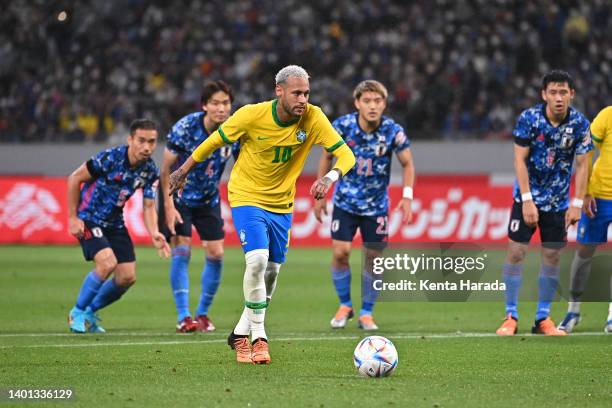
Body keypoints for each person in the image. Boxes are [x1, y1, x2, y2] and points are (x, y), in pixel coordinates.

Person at [169, 65, 356, 364]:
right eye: (296, 93)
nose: (303, 99)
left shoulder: (314, 117)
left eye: (306, 93)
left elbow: (347, 154)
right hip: (246, 196)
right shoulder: (250, 116)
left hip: (282, 204)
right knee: (256, 261)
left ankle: (239, 332)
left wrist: (329, 178)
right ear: (279, 91)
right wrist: (183, 170)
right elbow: (213, 141)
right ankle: (258, 338)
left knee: (271, 274)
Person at [495, 70, 592, 336]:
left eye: (563, 92)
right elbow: (519, 160)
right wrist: (527, 200)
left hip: (559, 203)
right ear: (544, 95)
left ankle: (542, 319)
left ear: (571, 94)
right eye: (553, 92)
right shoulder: (530, 119)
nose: (558, 98)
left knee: (551, 256)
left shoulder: (581, 124)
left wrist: (576, 202)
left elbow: (583, 165)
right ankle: (511, 316)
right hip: (526, 198)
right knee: (515, 253)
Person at [313, 80, 415, 330]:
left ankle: (367, 312)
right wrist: (321, 192)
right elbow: (326, 156)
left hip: (377, 207)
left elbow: (407, 164)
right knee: (341, 252)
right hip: (346, 202)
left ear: (384, 103)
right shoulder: (342, 127)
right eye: (367, 101)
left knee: (373, 258)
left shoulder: (393, 131)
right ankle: (345, 305)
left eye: (377, 101)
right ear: (357, 103)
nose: (372, 106)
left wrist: (407, 196)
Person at [67, 118, 170, 333]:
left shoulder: (150, 170)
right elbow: (75, 178)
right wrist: (73, 217)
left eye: (151, 142)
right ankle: (77, 311)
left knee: (127, 277)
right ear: (130, 139)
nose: (147, 147)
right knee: (106, 263)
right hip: (89, 218)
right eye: (141, 140)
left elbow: (149, 206)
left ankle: (89, 311)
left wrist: (154, 233)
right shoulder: (110, 158)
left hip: (115, 223)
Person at [159, 80, 239, 333]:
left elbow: (242, 163)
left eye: (225, 103)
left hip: (208, 199)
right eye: (215, 103)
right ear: (204, 105)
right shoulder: (185, 128)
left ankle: (202, 314)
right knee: (182, 251)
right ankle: (184, 316)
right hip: (179, 198)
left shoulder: (235, 130)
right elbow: (165, 170)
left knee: (216, 254)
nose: (221, 108)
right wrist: (169, 207)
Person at [558, 105, 612, 334]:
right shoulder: (608, 115)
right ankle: (573, 310)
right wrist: (586, 191)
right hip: (599, 196)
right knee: (584, 253)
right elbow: (587, 151)